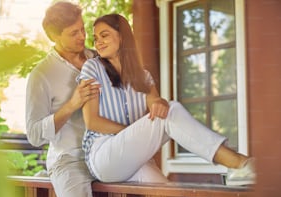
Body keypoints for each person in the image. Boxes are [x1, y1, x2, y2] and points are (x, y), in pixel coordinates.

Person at [77, 14, 255, 185]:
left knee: (165, 191)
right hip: (102, 156)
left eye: (104, 35)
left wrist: (159, 103)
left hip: (130, 157)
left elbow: (157, 106)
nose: (98, 42)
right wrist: (132, 133)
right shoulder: (92, 67)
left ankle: (240, 168)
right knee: (172, 110)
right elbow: (92, 122)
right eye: (95, 38)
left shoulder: (143, 76)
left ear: (122, 37)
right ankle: (239, 163)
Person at [25, 2, 101, 197]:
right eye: (73, 33)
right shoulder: (41, 75)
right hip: (69, 161)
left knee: (155, 188)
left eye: (83, 28)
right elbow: (34, 134)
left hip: (107, 151)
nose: (83, 36)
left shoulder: (99, 59)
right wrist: (71, 105)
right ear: (54, 37)